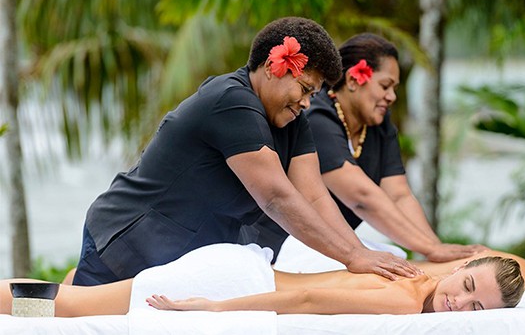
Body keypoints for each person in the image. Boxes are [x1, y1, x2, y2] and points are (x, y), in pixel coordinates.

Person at [72, 17, 420, 286]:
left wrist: (360, 254)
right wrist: (352, 257)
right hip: (126, 243)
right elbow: (276, 197)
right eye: (304, 88)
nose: (307, 101)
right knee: (77, 322)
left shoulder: (294, 119)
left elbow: (313, 196)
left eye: (313, 94)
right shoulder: (231, 100)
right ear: (274, 67)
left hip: (177, 262)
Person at [247, 33, 485, 262]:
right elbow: (360, 197)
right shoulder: (315, 116)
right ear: (353, 79)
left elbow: (399, 195)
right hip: (288, 247)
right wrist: (431, 249)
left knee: (400, 261)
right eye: (385, 86)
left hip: (339, 248)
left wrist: (435, 250)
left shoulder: (380, 126)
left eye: (394, 88)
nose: (392, 96)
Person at [0, 244, 524, 316]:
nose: (461, 304)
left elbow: (487, 259)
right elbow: (306, 296)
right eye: (468, 288)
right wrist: (213, 309)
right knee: (69, 308)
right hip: (234, 283)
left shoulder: (418, 275)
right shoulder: (408, 303)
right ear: (459, 269)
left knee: (79, 295)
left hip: (244, 267)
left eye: (479, 310)